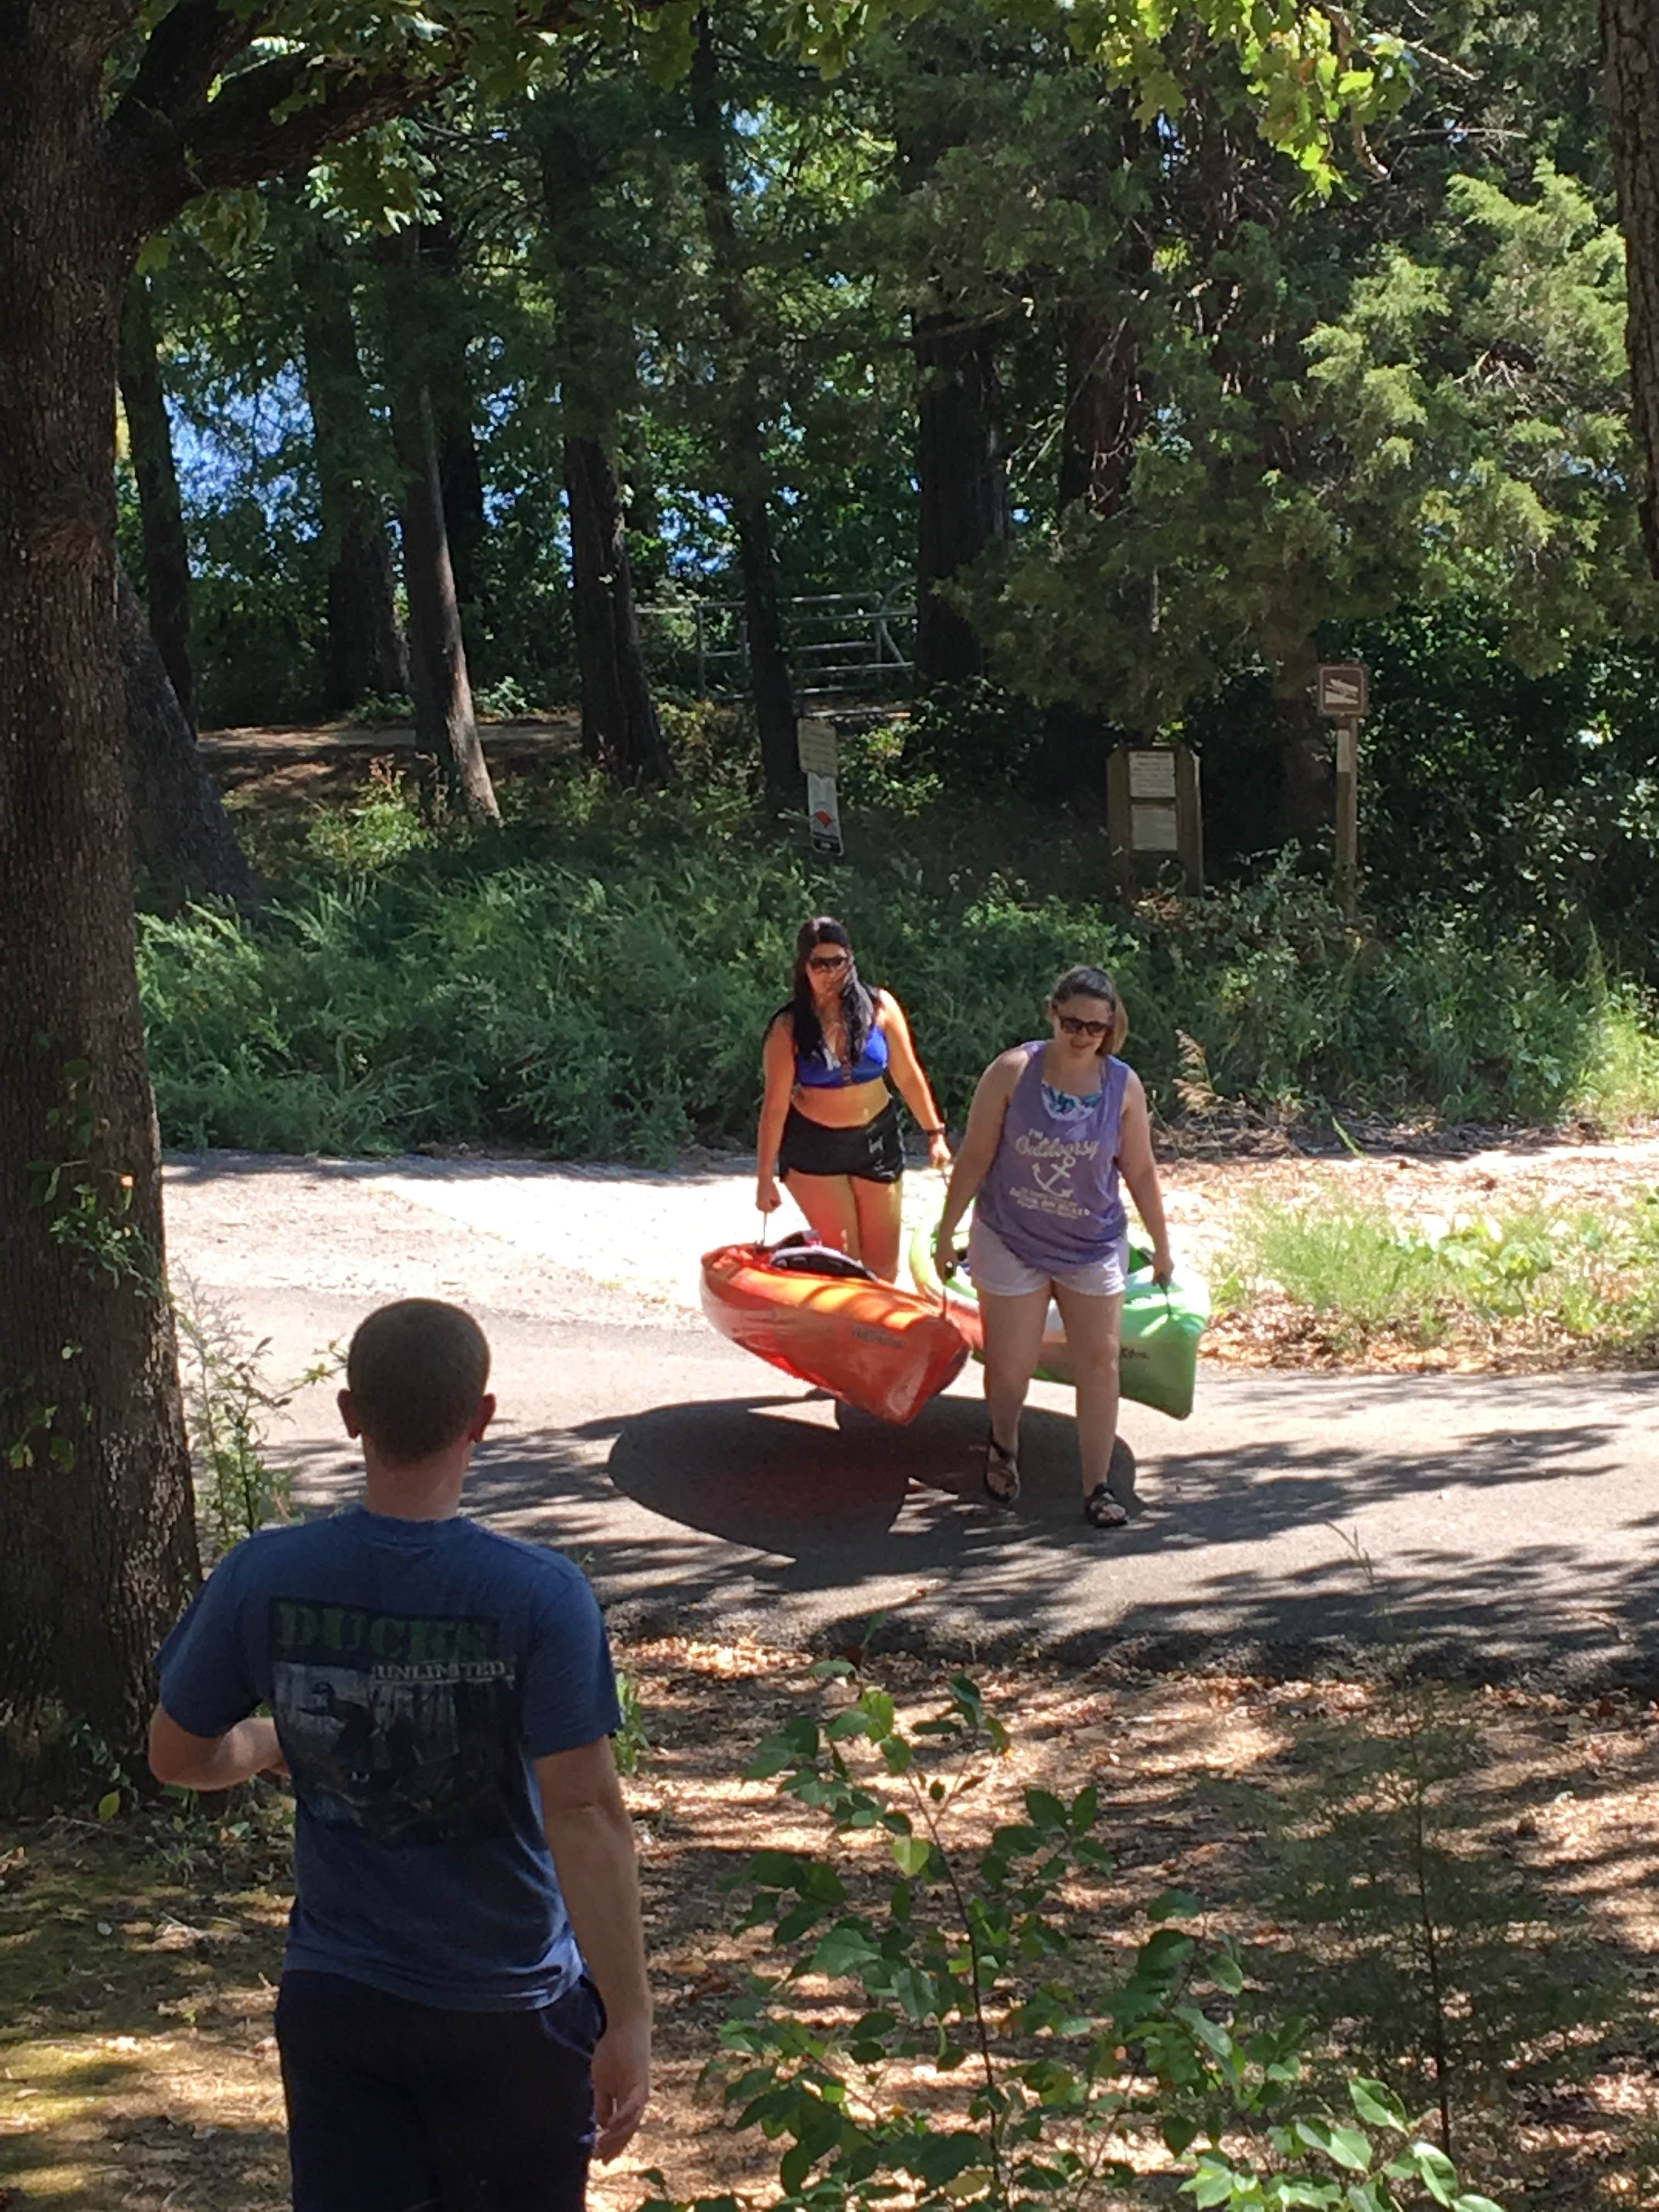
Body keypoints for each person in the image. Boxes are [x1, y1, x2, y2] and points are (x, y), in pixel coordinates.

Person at [148, 1299, 650, 2212]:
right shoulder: (540, 1596)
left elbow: (177, 1754)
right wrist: (628, 2015)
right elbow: (582, 1811)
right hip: (510, 2003)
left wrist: (265, 1738)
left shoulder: (264, 1574)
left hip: (338, 1997)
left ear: (349, 1415)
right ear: (482, 1418)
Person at [932, 964, 1173, 1531]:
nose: (1084, 1036)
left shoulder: (1122, 1085)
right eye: (1073, 1023)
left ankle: (1097, 1486)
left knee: (1099, 1362)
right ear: (1052, 1014)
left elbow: (1138, 1168)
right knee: (1013, 1366)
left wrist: (1162, 1245)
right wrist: (948, 1232)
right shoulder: (1014, 1072)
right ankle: (1004, 1444)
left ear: (1111, 1028)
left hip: (1091, 1242)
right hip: (1011, 1234)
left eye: (1097, 1027)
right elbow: (975, 1158)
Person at [755, 915, 951, 1280]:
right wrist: (765, 1178)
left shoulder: (880, 1008)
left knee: (882, 1270)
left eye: (839, 962)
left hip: (876, 1139)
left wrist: (935, 1133)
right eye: (820, 964)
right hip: (816, 1145)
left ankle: (873, 1337)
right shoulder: (788, 1028)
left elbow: (907, 1074)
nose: (831, 973)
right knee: (845, 1263)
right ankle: (831, 1332)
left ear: (852, 961)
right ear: (803, 968)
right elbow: (775, 1106)